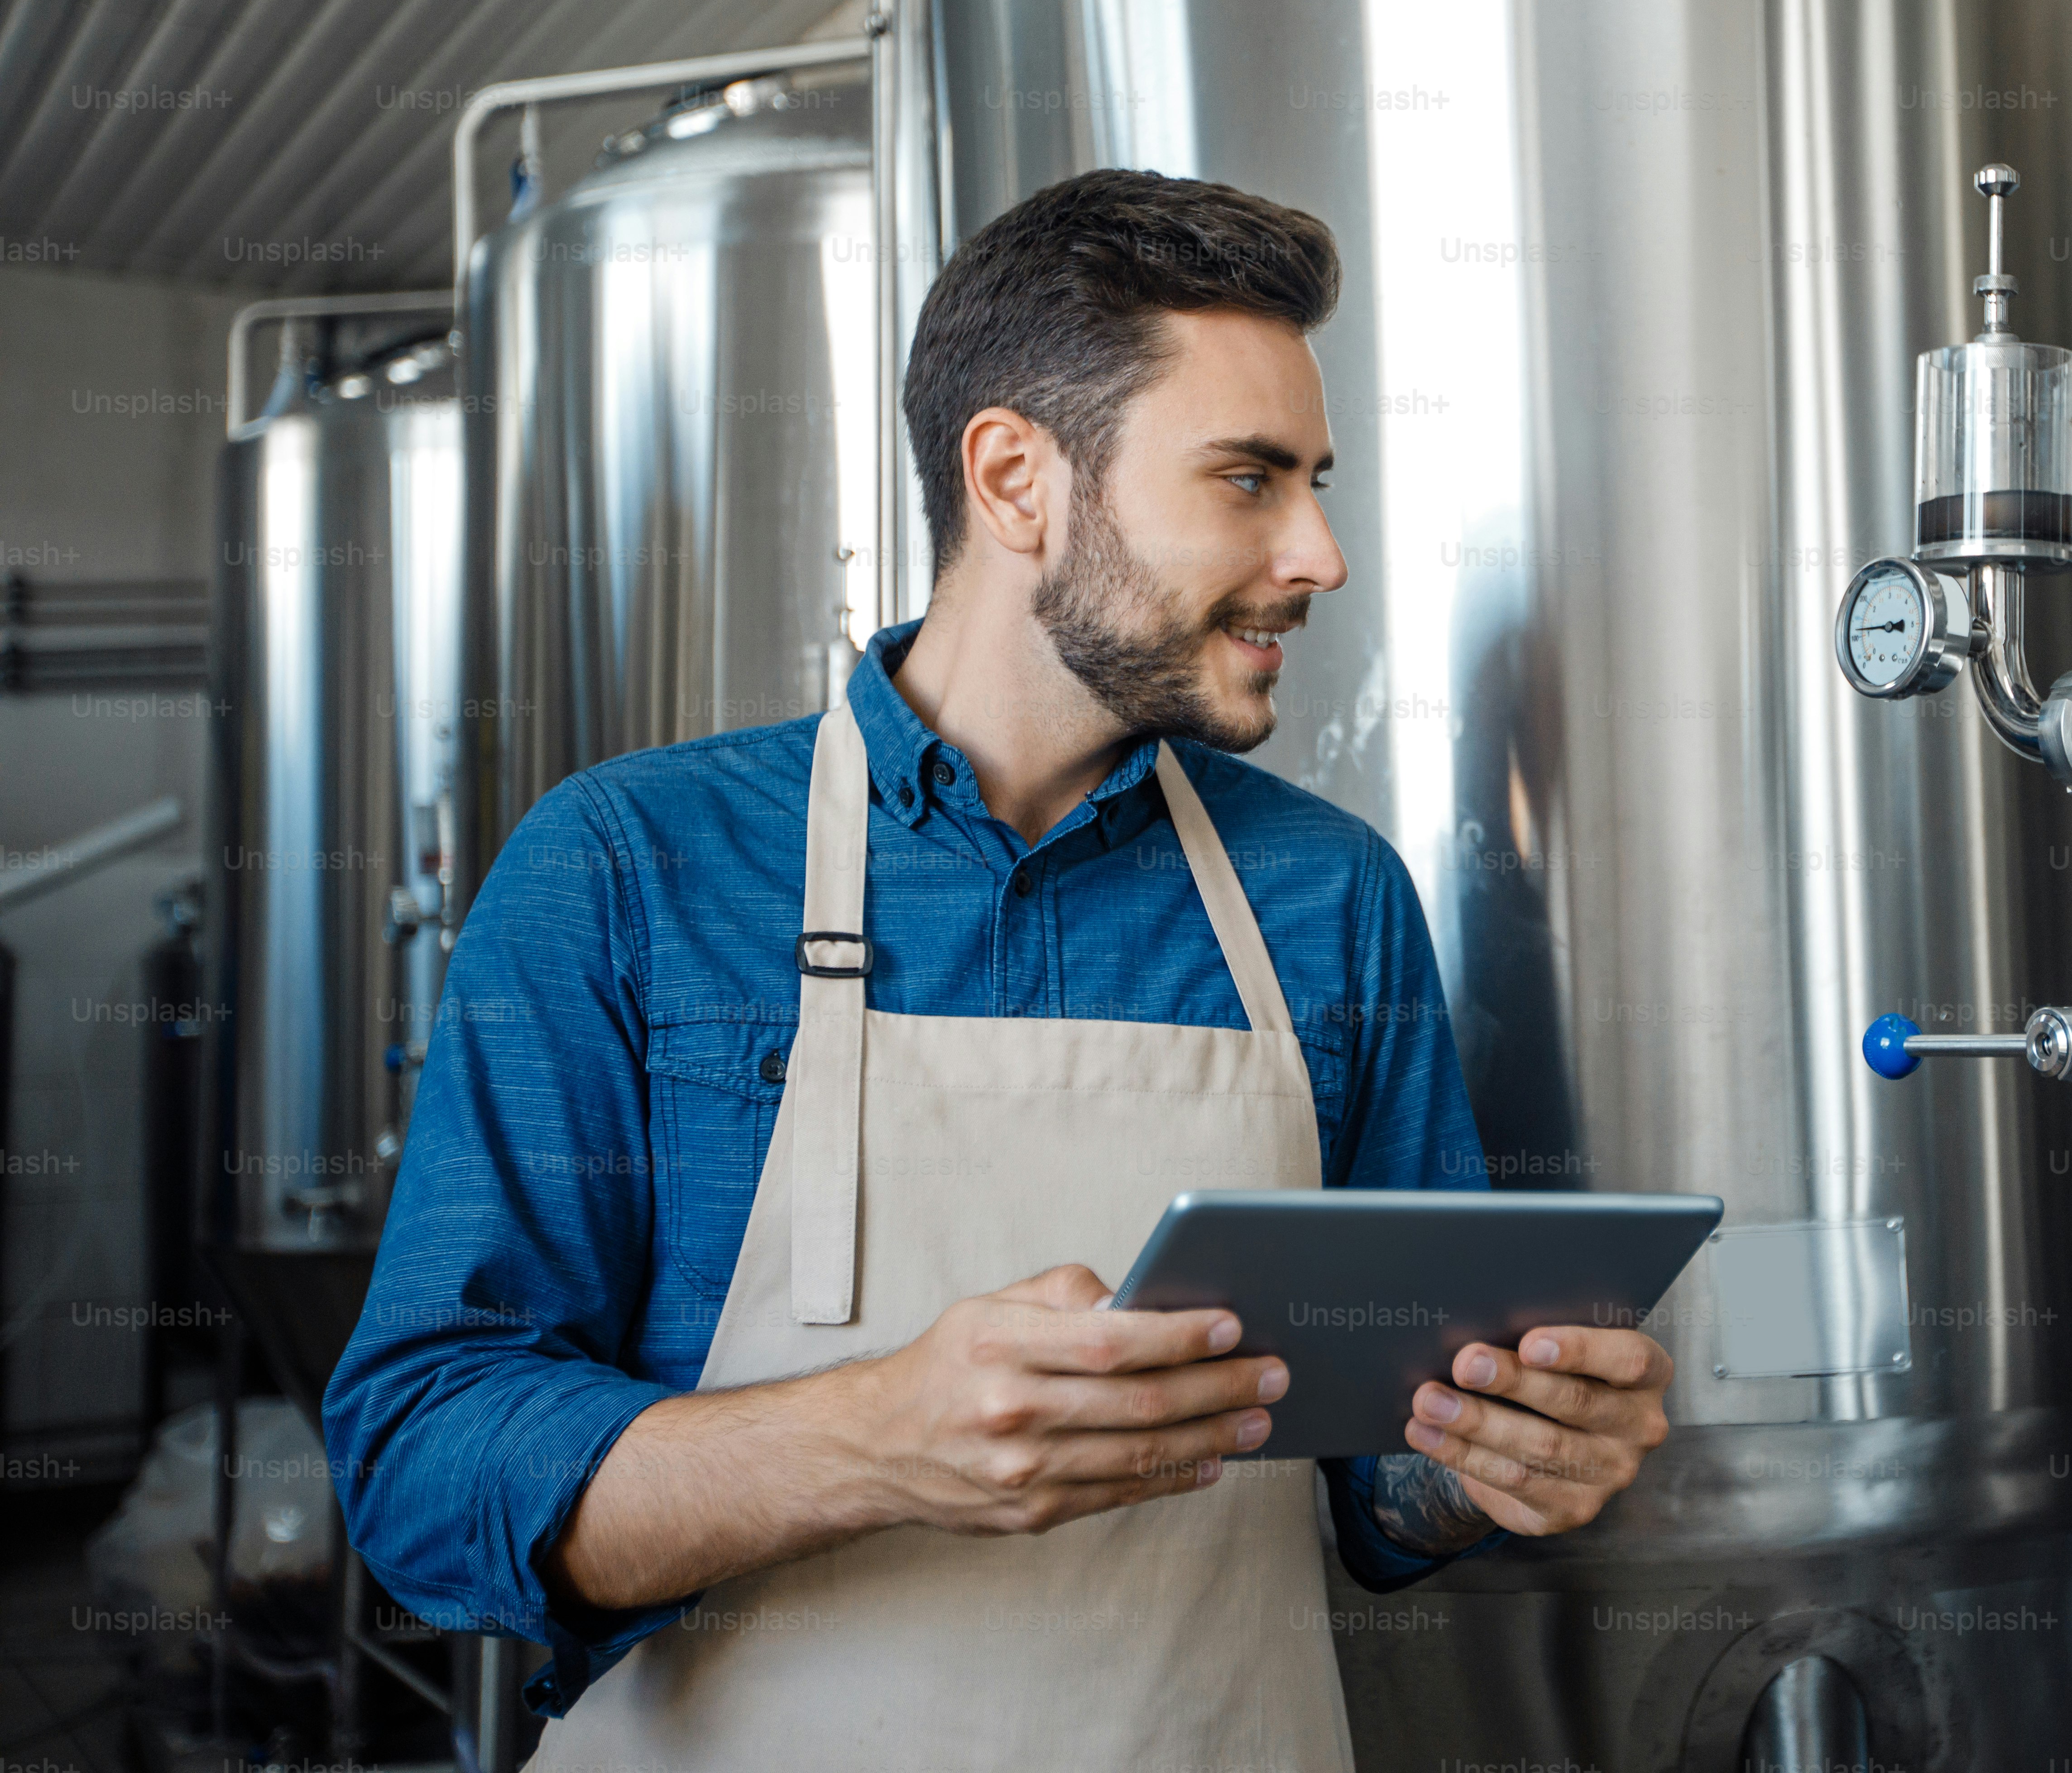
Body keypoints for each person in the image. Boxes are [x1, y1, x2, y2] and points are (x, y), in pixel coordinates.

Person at [324, 169, 1676, 1770]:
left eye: (1314, 482)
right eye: (1248, 480)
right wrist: (873, 1444)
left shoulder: (1328, 899)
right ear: (1016, 477)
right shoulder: (627, 868)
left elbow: (1383, 1474)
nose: (1318, 552)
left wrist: (1487, 1459)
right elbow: (421, 1465)